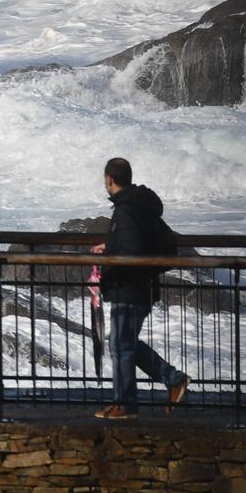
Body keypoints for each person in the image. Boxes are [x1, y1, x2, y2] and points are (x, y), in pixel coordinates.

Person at [93, 156, 191, 419]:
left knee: (121, 345)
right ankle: (173, 379)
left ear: (109, 180)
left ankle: (124, 404)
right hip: (141, 285)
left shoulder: (125, 209)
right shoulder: (139, 205)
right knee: (122, 343)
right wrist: (111, 247)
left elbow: (132, 249)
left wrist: (110, 263)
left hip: (129, 287)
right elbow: (134, 241)